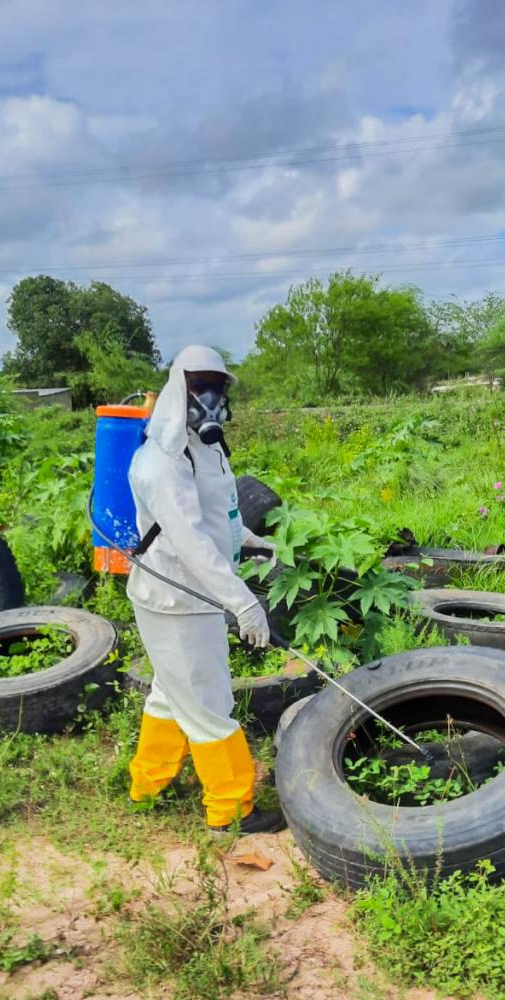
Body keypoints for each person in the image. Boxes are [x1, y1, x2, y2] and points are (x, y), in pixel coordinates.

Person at [125, 344, 284, 835]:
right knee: (209, 703)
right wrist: (244, 603)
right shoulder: (161, 463)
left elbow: (220, 515)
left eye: (217, 386)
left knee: (170, 695)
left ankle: (148, 785)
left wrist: (252, 542)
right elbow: (191, 545)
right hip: (176, 597)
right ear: (179, 390)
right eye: (200, 386)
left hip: (196, 594)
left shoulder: (207, 447)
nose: (209, 397)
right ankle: (231, 810)